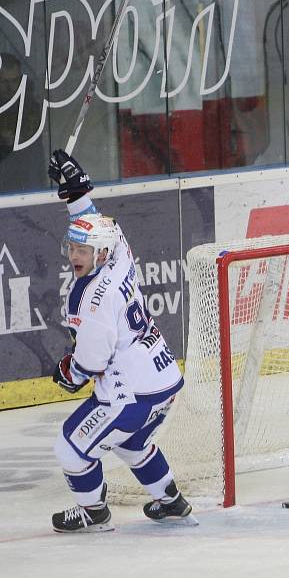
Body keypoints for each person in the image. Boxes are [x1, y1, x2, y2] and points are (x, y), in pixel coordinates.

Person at [49, 150, 196, 532]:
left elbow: (91, 364)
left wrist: (70, 372)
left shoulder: (91, 298)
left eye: (81, 250)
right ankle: (172, 501)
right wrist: (76, 192)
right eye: (72, 247)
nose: (73, 255)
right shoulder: (119, 255)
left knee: (71, 448)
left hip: (129, 394)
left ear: (98, 253)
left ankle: (93, 513)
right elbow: (97, 225)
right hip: (163, 380)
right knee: (132, 445)